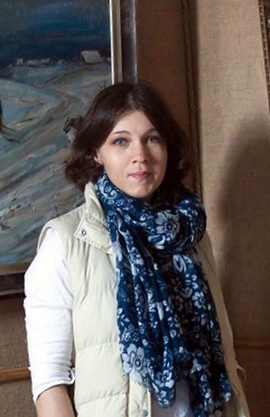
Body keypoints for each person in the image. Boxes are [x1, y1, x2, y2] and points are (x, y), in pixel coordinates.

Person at [24, 81, 250, 417]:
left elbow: (223, 352)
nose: (140, 155)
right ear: (95, 152)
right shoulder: (65, 242)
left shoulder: (190, 234)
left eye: (152, 139)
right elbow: (49, 382)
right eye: (120, 141)